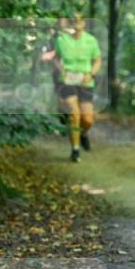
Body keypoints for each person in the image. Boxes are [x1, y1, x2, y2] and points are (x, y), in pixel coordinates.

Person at [54, 15, 101, 162]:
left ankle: (83, 134)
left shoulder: (91, 40)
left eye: (80, 19)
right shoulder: (62, 40)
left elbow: (98, 60)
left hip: (85, 82)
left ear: (84, 23)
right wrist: (60, 69)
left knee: (87, 119)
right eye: (74, 19)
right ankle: (75, 149)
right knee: (74, 114)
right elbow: (56, 57)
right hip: (67, 81)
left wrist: (92, 74)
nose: (77, 22)